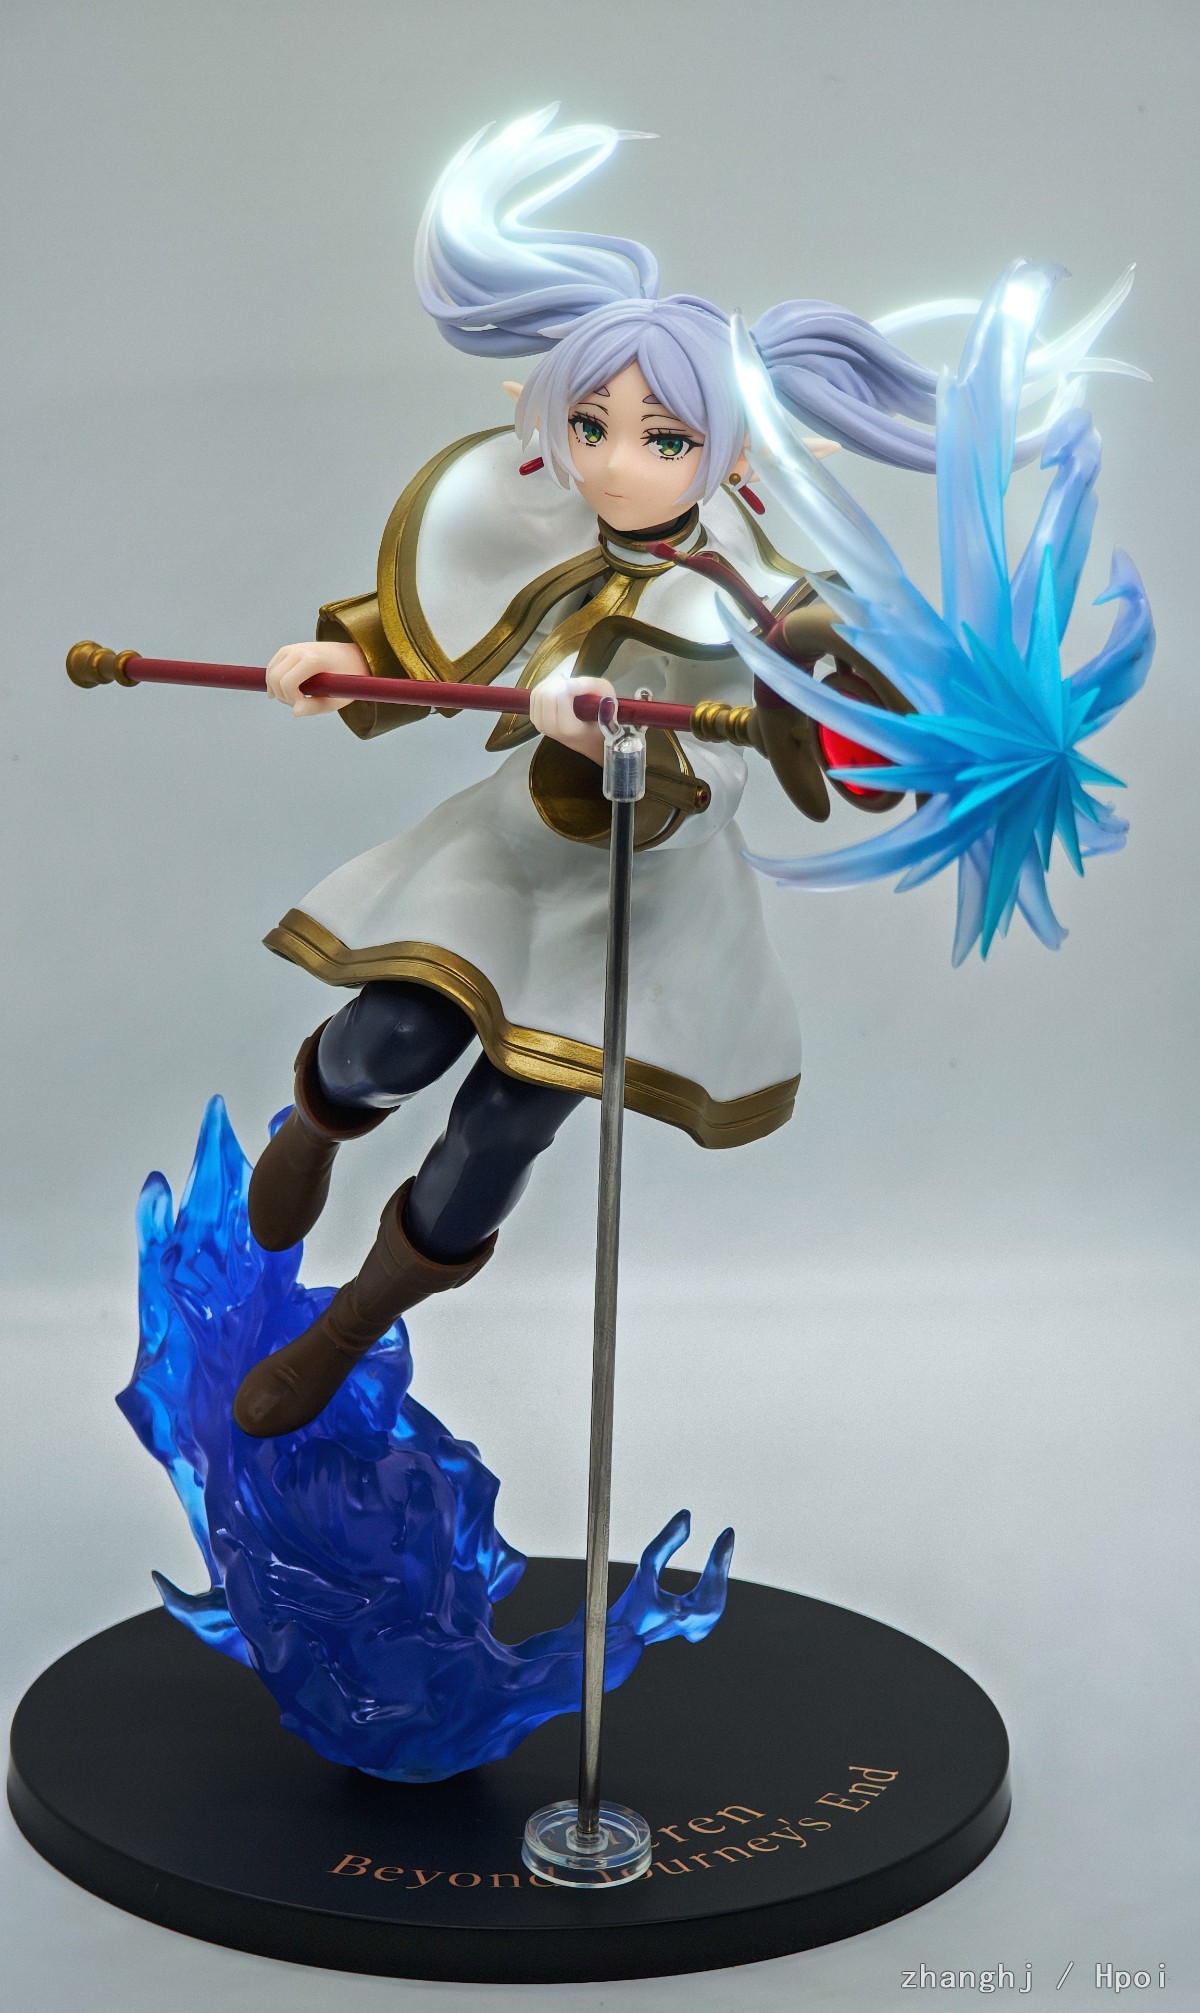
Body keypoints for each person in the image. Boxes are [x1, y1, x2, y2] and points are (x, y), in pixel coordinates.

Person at [231, 110, 1131, 1437]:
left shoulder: (770, 599)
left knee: (505, 1125)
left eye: (661, 439)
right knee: (393, 1037)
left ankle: (349, 1323)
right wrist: (345, 660)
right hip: (513, 853)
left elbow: (824, 745)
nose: (615, 461)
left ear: (734, 453)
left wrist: (887, 749)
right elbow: (459, 613)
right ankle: (313, 1122)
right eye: (591, 423)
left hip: (643, 897)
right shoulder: (539, 511)